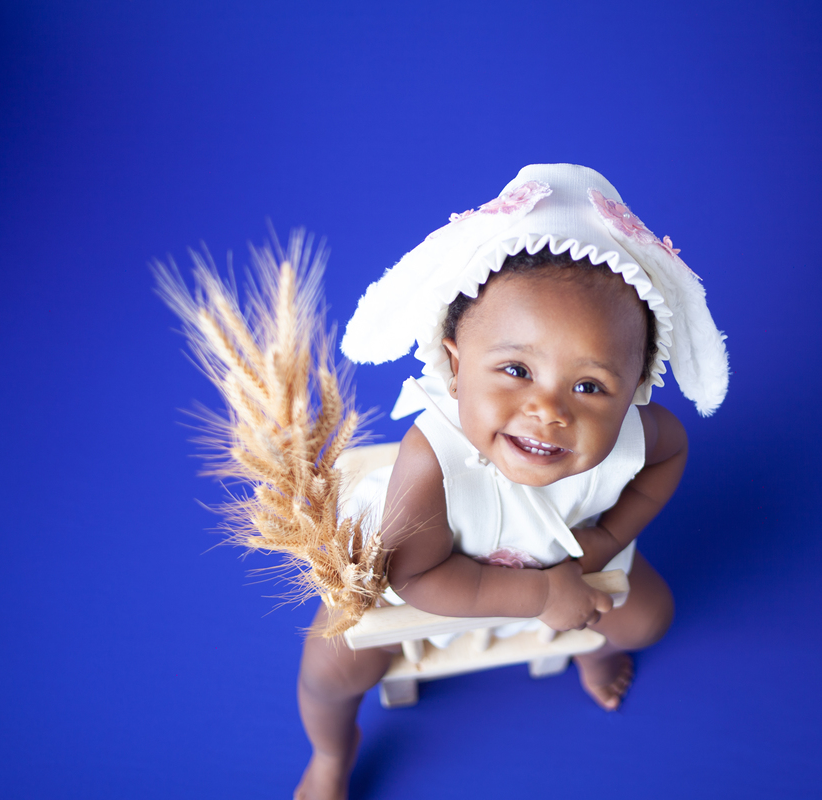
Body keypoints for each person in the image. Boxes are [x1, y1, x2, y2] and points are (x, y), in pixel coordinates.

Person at [294, 164, 729, 800]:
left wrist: (604, 541)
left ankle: (595, 649)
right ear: (454, 365)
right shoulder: (431, 462)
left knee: (648, 617)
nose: (549, 411)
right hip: (435, 582)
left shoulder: (637, 436)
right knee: (333, 661)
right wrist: (541, 596)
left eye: (589, 386)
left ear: (634, 390)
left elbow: (671, 456)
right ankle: (332, 750)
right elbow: (416, 577)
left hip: (566, 558)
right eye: (516, 369)